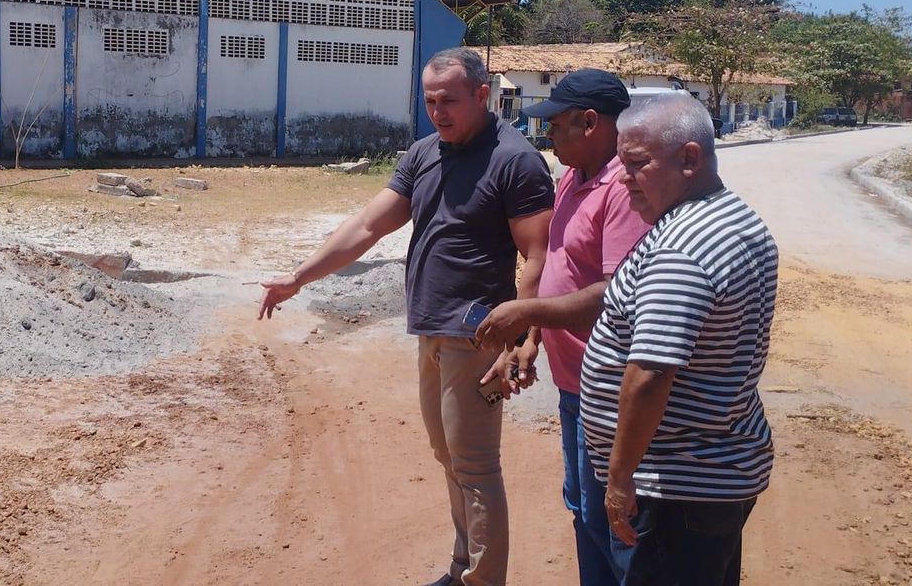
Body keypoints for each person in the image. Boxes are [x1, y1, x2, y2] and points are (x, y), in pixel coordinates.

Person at [259, 47, 554, 586]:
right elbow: (367, 227)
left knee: (476, 466)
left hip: (479, 335)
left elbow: (537, 254)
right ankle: (463, 566)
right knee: (449, 457)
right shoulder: (423, 154)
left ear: (483, 96)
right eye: (430, 101)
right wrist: (298, 277)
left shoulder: (515, 160)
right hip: (431, 329)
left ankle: (482, 579)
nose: (438, 112)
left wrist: (521, 336)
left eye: (450, 101)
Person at [580, 92, 778, 586]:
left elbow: (649, 374)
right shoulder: (730, 217)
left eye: (637, 164)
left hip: (673, 486)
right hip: (707, 475)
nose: (623, 179)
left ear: (689, 158)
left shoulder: (682, 249)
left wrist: (620, 481)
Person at [472, 69, 652, 584]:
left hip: (610, 390)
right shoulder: (574, 174)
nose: (548, 134)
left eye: (556, 124)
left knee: (613, 522)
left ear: (590, 122)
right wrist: (533, 340)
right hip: (576, 385)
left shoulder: (623, 189)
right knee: (584, 510)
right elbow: (557, 263)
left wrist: (527, 314)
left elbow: (620, 295)